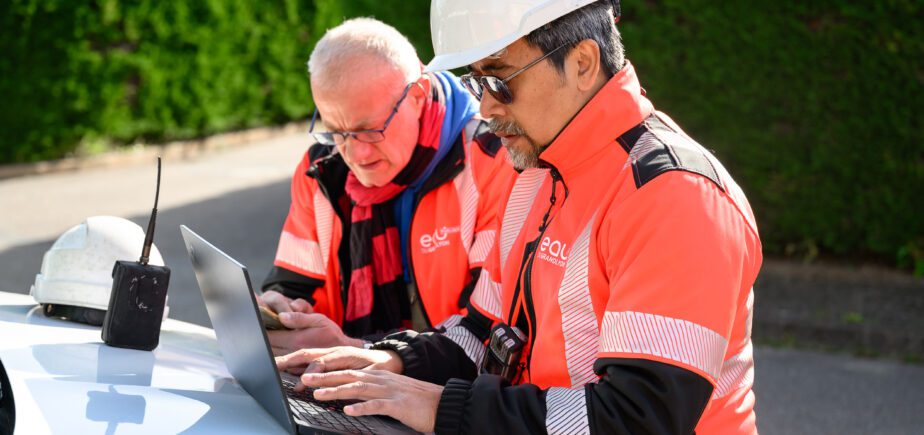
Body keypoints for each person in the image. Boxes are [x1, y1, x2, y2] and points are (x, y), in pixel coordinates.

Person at [276, 1, 762, 434]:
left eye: (499, 79)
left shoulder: (673, 195)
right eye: (476, 80)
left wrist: (446, 408)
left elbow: (638, 417)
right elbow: (486, 329)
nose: (485, 106)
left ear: (583, 63)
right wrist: (389, 361)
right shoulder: (536, 173)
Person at [259, 18, 515, 355]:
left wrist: (360, 350)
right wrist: (283, 307)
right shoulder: (319, 171)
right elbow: (296, 282)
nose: (357, 154)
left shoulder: (494, 159)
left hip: (449, 390)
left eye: (371, 129)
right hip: (345, 382)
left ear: (418, 95)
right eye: (338, 131)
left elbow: (488, 329)